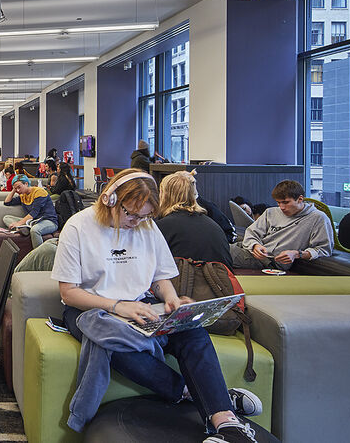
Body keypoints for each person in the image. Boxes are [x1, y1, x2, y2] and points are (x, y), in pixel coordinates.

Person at [51, 169, 262, 442]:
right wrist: (117, 306)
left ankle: (226, 420)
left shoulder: (146, 227)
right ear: (110, 199)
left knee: (192, 331)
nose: (136, 222)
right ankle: (189, 392)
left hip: (141, 304)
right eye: (131, 214)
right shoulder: (79, 226)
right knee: (113, 343)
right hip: (90, 309)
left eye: (144, 216)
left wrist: (171, 299)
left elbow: (160, 276)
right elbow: (69, 293)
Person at [229, 180, 333, 270]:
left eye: (286, 202)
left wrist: (297, 254)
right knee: (216, 244)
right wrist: (255, 245)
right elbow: (251, 233)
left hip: (268, 260)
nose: (282, 207)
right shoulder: (271, 212)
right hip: (249, 250)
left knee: (216, 252)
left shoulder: (318, 218)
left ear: (300, 199)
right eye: (278, 203)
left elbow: (324, 249)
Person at [155, 171, 233, 266]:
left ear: (164, 196)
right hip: (220, 279)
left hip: (185, 279)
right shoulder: (213, 225)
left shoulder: (161, 227)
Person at [3, 174, 60, 248]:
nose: (18, 190)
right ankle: (24, 228)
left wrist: (19, 223)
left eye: (19, 187)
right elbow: (7, 202)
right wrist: (13, 189)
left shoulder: (39, 192)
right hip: (32, 222)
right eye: (16, 188)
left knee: (35, 230)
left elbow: (34, 213)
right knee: (6, 218)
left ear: (26, 184)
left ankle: (38, 254)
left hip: (48, 221)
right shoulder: (23, 195)